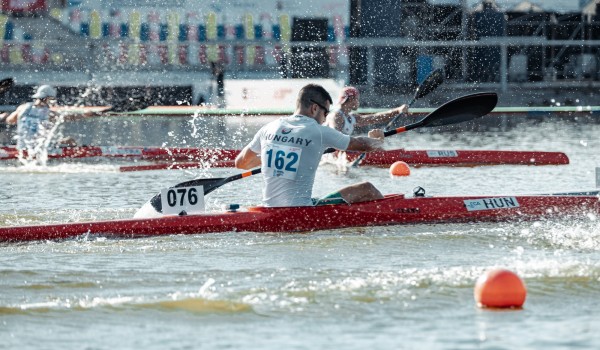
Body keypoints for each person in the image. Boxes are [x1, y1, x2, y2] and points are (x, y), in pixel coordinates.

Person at [235, 83, 386, 207]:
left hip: (270, 209)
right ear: (314, 108)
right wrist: (378, 140)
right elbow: (362, 144)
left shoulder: (268, 128)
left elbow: (241, 163)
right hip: (302, 212)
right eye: (325, 113)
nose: (325, 118)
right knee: (367, 188)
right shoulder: (319, 132)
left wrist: (274, 153)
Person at [4, 85, 92, 151]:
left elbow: (9, 120)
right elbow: (69, 117)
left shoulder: (22, 108)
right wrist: (86, 115)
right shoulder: (49, 113)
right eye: (51, 99)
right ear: (47, 98)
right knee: (70, 140)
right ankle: (78, 155)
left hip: (21, 147)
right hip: (40, 148)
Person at [324, 86, 409, 135]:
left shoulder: (351, 117)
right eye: (357, 99)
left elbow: (375, 118)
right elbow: (334, 138)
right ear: (350, 99)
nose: (358, 102)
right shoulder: (336, 116)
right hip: (327, 155)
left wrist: (397, 110)